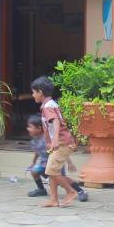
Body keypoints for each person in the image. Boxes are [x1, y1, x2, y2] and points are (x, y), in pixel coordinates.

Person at [30, 76, 80, 208]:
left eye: (33, 92)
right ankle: (53, 199)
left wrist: (56, 139)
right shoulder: (50, 104)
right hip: (61, 143)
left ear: (40, 92)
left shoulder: (48, 107)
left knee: (52, 172)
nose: (32, 94)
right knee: (51, 172)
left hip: (62, 143)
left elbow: (55, 121)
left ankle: (71, 191)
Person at [25, 115, 87, 202]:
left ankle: (81, 191)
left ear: (39, 128)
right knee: (34, 170)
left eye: (30, 127)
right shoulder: (35, 140)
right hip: (44, 166)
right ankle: (41, 190)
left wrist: (69, 163)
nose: (28, 129)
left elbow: (60, 152)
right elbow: (37, 151)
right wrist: (33, 162)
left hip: (55, 164)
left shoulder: (47, 140)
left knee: (60, 179)